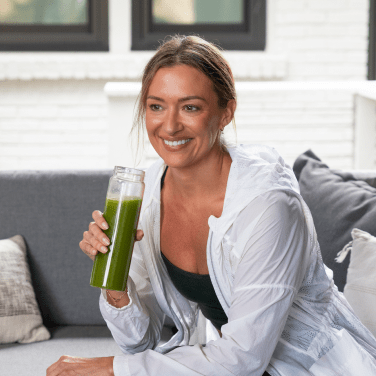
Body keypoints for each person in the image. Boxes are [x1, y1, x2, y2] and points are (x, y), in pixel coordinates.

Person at [47, 35, 376, 376]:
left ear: (225, 113)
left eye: (190, 107)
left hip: (306, 368)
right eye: (156, 106)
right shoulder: (143, 193)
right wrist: (115, 285)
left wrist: (111, 368)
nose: (170, 125)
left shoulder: (269, 206)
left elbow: (245, 357)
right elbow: (138, 344)